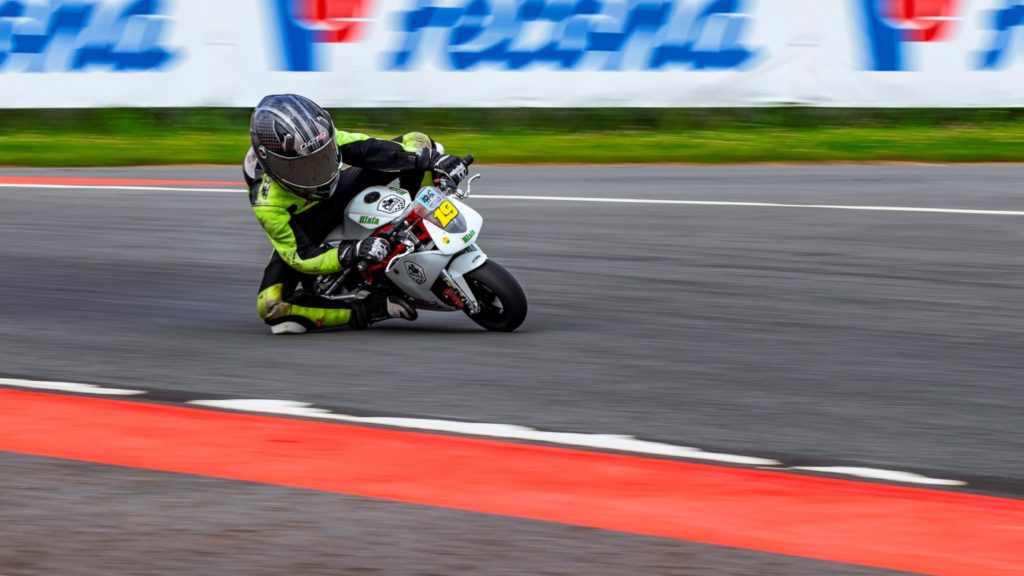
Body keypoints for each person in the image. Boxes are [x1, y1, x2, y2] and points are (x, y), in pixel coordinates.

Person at [245, 94, 469, 334]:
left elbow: (369, 148)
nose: (316, 173)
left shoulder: (320, 136)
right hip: (305, 223)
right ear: (274, 167)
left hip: (338, 189)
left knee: (418, 142)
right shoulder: (266, 202)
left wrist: (435, 161)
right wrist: (352, 252)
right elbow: (300, 256)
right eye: (301, 168)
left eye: (323, 157)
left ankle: (424, 216)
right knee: (271, 305)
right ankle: (372, 308)